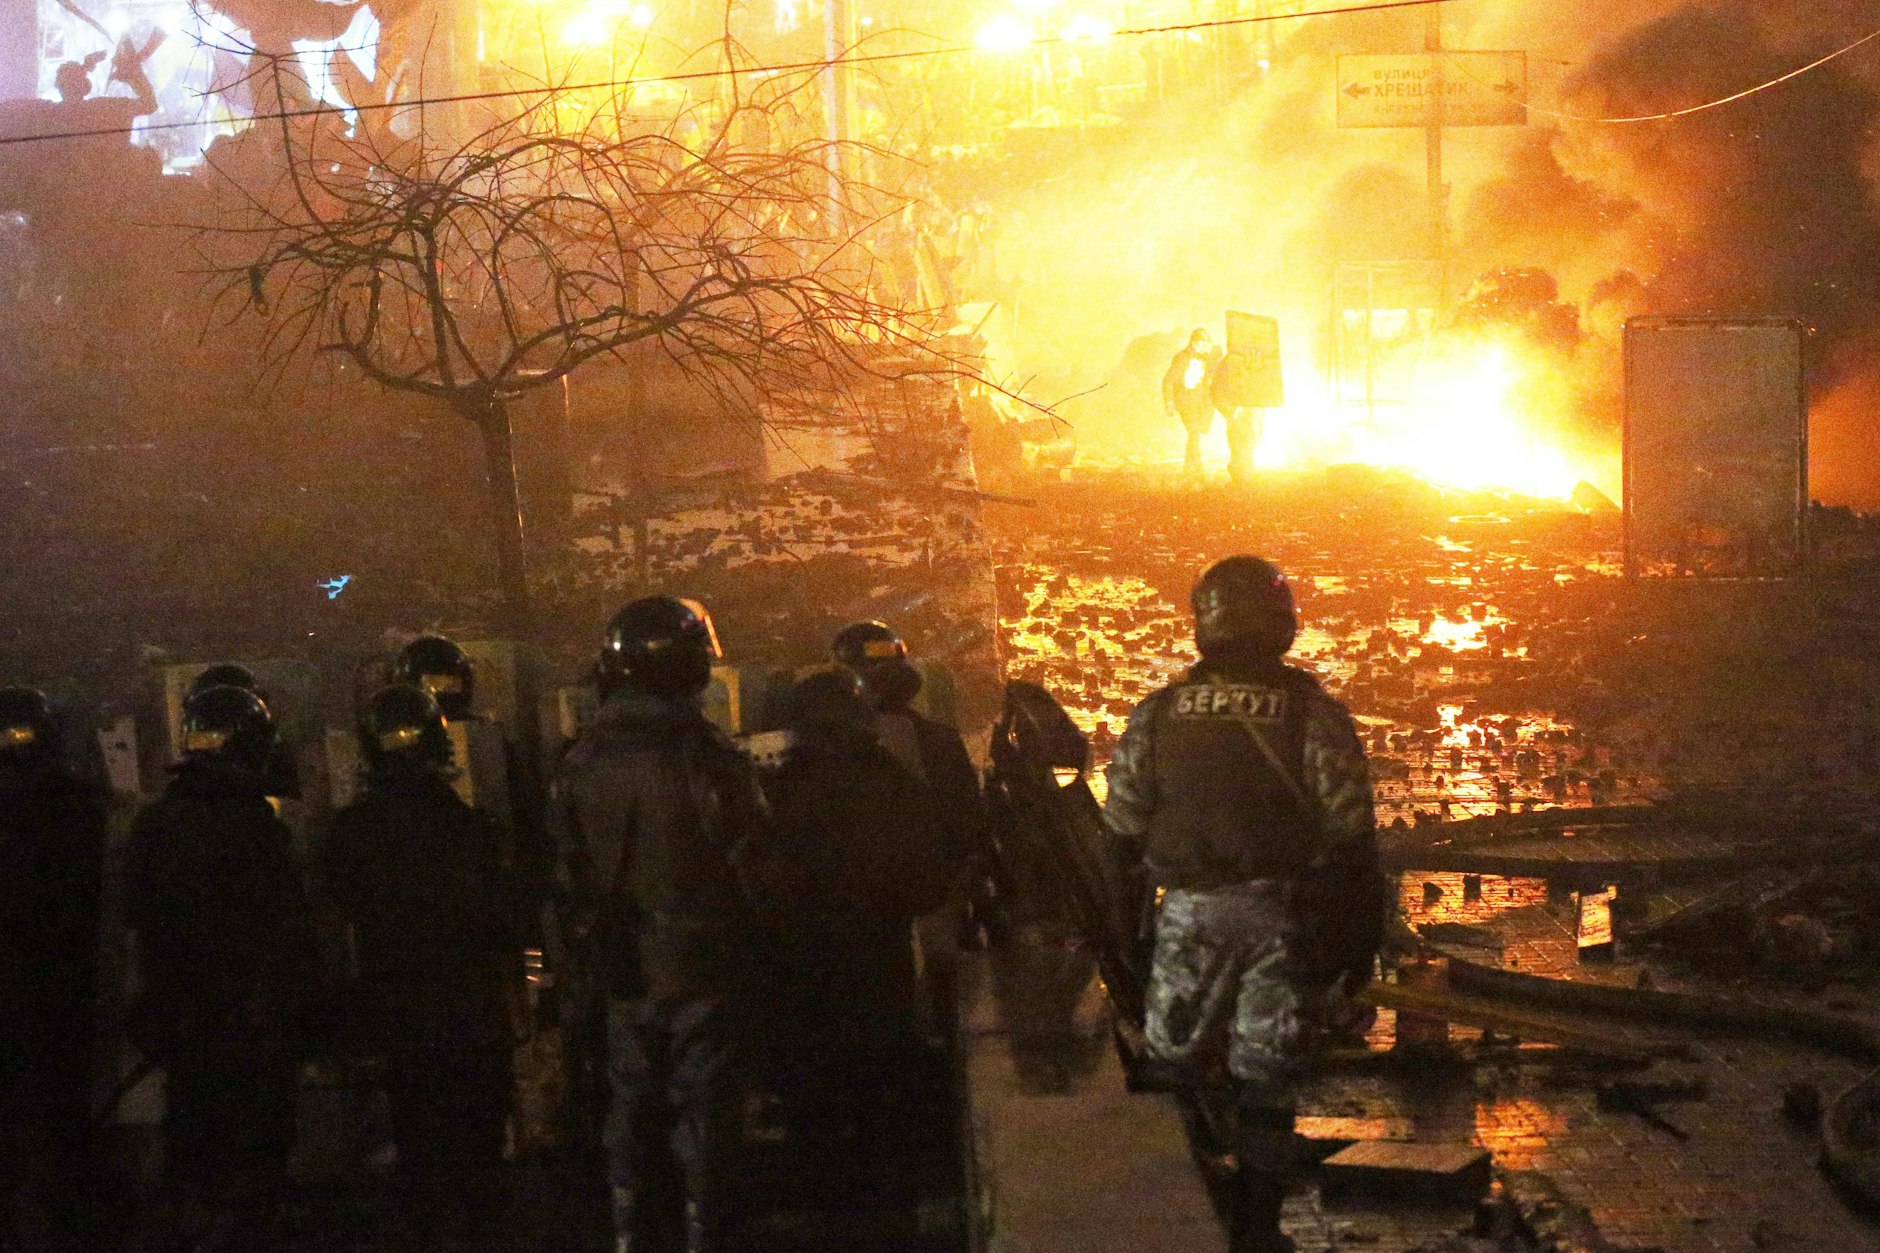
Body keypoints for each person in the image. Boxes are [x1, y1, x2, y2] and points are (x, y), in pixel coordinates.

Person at [1103, 557, 1382, 1253]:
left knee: (1170, 1068)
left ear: (1205, 623)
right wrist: (1355, 949)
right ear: (1283, 624)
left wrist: (1128, 933)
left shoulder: (1159, 713)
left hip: (1189, 916)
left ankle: (1179, 1217)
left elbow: (1122, 828)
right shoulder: (1314, 715)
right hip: (1282, 920)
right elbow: (1352, 839)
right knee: (1267, 1079)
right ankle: (1256, 1231)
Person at [551, 597, 763, 1253]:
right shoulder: (706, 757)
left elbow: (565, 875)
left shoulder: (580, 759)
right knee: (703, 1118)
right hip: (700, 965)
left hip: (619, 969)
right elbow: (752, 863)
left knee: (630, 1113)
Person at [321, 685, 521, 1248]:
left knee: (420, 1147)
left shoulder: (352, 833)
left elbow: (340, 914)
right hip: (469, 1014)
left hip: (399, 1015)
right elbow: (503, 920)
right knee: (478, 1156)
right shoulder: (469, 830)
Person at [126, 685, 317, 1248]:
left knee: (194, 1152)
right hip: (250, 1026)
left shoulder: (157, 825)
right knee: (255, 1163)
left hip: (187, 1023)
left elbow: (142, 923)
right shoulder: (258, 829)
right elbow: (286, 935)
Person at [831, 621, 991, 1027]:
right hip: (927, 902)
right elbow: (968, 824)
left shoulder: (829, 749)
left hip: (869, 915)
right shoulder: (937, 739)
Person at [0, 688, 107, 1245]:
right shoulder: (77, 808)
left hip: (35, 990)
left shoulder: (71, 807)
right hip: (66, 987)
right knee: (66, 1123)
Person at [1162, 328, 1222, 477]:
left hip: (1201, 402)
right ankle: (1192, 466)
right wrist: (1169, 402)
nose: (1204, 346)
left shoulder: (1208, 359)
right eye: (1200, 343)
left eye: (1207, 343)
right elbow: (1168, 381)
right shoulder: (1182, 359)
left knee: (1196, 433)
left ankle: (1194, 465)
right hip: (1186, 400)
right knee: (1194, 432)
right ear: (1193, 343)